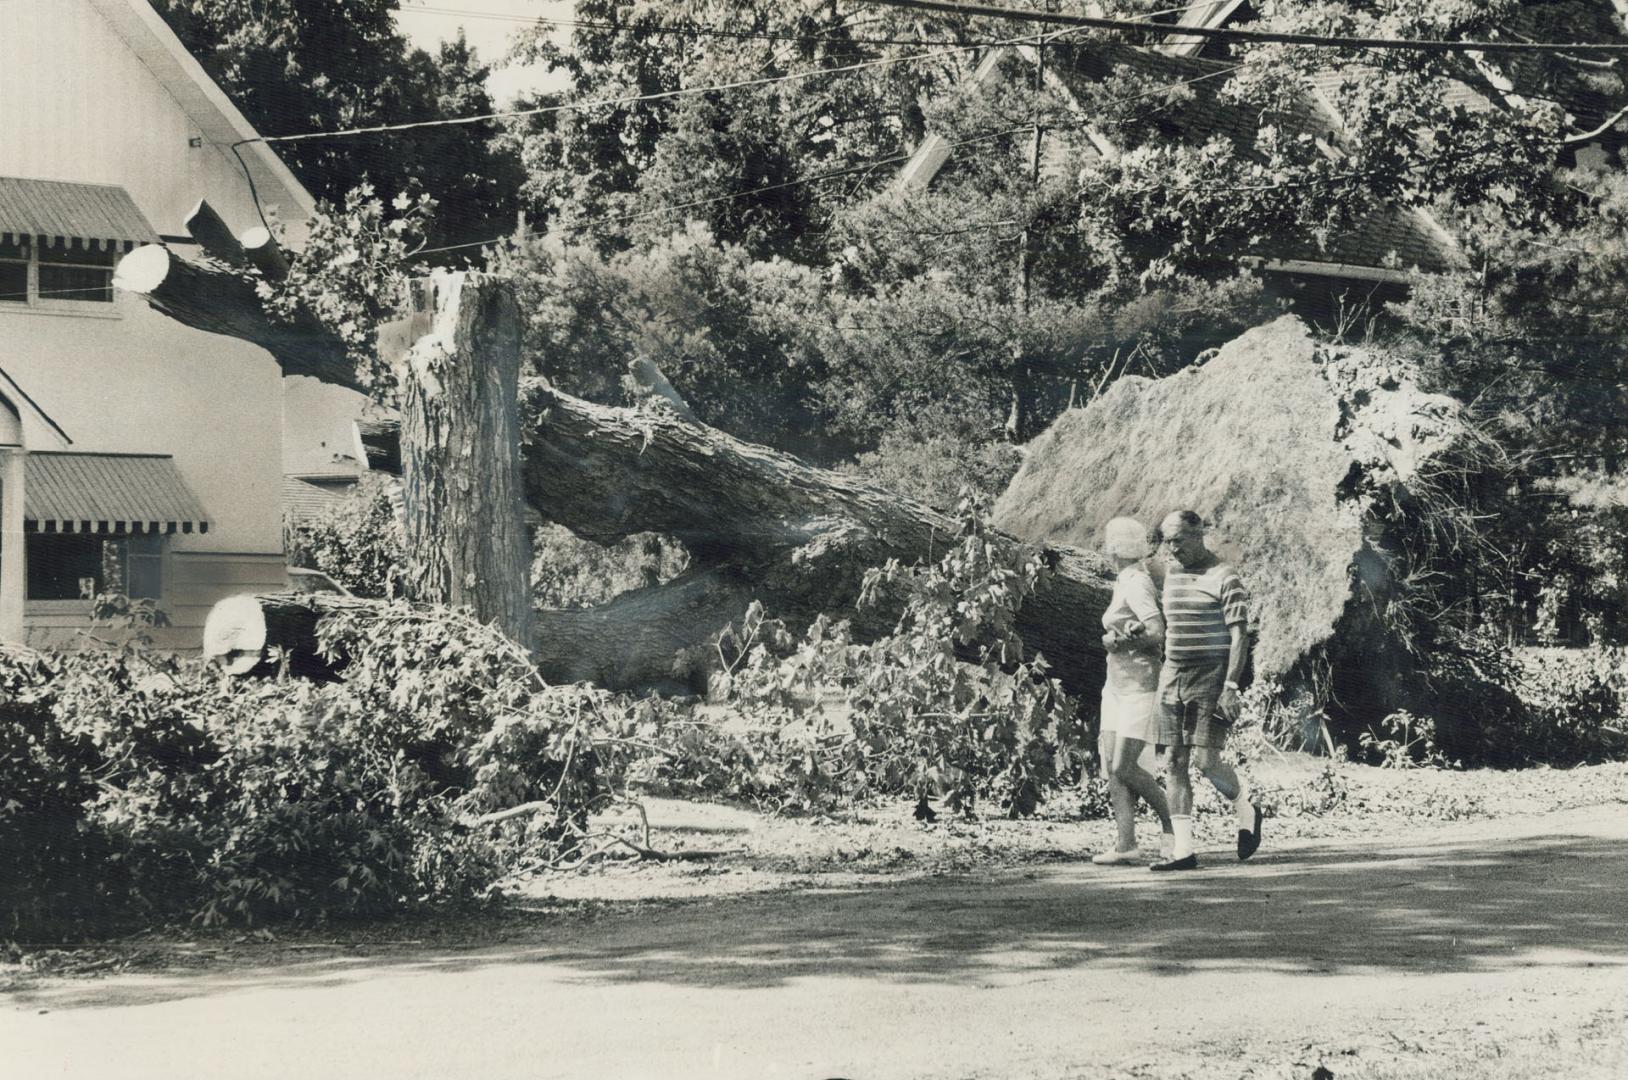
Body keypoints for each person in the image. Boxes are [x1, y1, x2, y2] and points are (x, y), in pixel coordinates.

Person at [1149, 510, 1262, 872]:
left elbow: (1239, 635)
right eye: (1167, 542)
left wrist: (1231, 685)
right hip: (1172, 673)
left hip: (1211, 676)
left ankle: (1246, 809)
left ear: (1199, 536)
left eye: (1178, 541)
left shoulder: (1224, 577)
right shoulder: (1170, 573)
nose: (1172, 549)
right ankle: (1184, 852)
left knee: (1205, 761)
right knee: (1174, 761)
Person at [1091, 517, 1175, 865]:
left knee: (1124, 766)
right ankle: (1126, 844)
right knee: (1113, 768)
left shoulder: (1137, 582)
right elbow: (1124, 632)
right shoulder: (1124, 580)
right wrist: (1112, 640)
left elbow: (1157, 631)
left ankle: (1174, 828)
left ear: (1114, 551)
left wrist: (1124, 639)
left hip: (1140, 685)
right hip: (1116, 686)